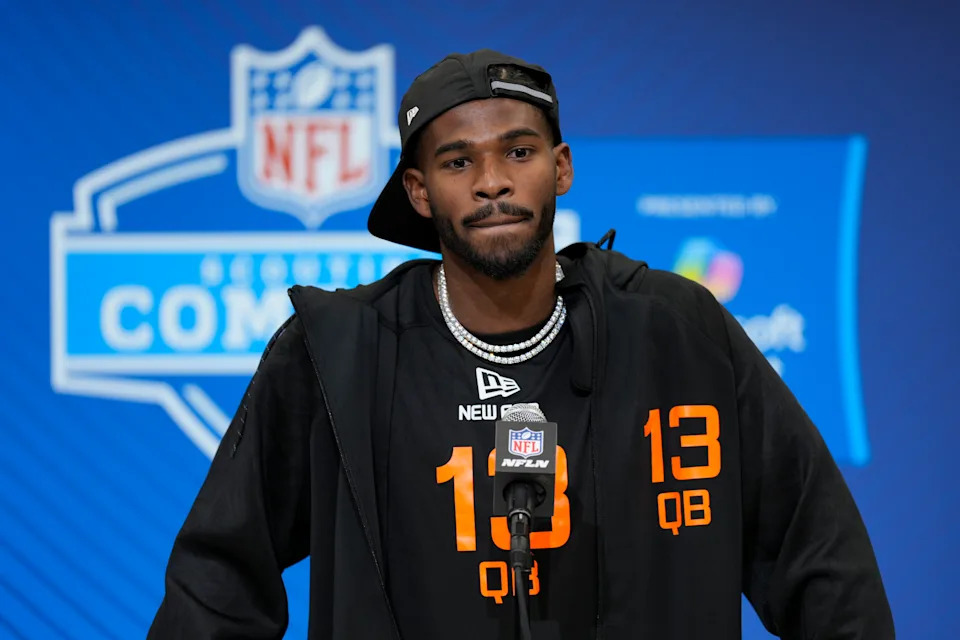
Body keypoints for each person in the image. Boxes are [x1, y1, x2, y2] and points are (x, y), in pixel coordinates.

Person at [148, 50, 894, 639]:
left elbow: (821, 561)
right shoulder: (336, 355)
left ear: (560, 167)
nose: (492, 183)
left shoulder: (676, 331)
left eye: (519, 152)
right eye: (458, 162)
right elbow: (216, 586)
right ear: (418, 192)